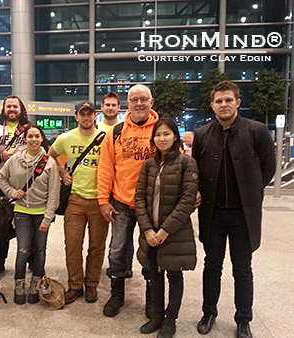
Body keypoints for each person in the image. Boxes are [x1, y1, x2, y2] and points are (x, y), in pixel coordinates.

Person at [192, 81, 276, 338]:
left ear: (237, 103)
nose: (224, 105)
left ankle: (243, 319)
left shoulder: (257, 131)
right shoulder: (203, 134)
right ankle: (209, 312)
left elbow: (268, 169)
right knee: (212, 265)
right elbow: (195, 169)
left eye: (228, 100)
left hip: (243, 214)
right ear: (212, 105)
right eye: (219, 101)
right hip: (213, 213)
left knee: (243, 268)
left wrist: (252, 192)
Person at [97, 84, 159, 318]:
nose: (139, 103)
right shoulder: (116, 132)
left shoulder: (161, 129)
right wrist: (103, 199)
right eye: (135, 100)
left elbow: (176, 163)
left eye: (144, 99)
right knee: (117, 250)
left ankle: (153, 300)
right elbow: (105, 168)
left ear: (151, 102)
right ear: (128, 104)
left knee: (150, 252)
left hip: (152, 203)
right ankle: (117, 295)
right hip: (121, 202)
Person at [135, 117, 198, 338]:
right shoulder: (148, 165)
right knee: (154, 275)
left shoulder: (186, 163)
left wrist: (163, 231)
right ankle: (156, 316)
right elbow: (139, 199)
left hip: (174, 233)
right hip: (150, 233)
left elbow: (187, 201)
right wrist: (148, 230)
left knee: (174, 276)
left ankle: (171, 319)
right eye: (158, 135)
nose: (162, 138)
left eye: (166, 134)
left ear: (175, 136)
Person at [49, 100, 109, 305]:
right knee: (73, 245)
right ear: (76, 117)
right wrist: (61, 172)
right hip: (75, 200)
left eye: (89, 114)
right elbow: (51, 155)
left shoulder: (105, 138)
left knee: (97, 246)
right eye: (82, 114)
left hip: (100, 200)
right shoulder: (66, 138)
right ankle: (75, 284)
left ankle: (91, 284)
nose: (86, 117)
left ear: (95, 116)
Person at [0, 125, 60, 305]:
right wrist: (11, 192)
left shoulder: (50, 163)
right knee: (23, 250)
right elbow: (0, 178)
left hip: (41, 212)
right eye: (30, 136)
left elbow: (54, 193)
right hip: (21, 212)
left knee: (39, 250)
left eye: (37, 136)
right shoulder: (15, 159)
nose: (33, 139)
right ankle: (19, 284)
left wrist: (48, 218)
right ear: (25, 138)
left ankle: (36, 284)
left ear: (42, 139)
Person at [0, 95, 48, 273]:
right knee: (2, 224)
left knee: (29, 223)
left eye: (15, 106)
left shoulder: (31, 129)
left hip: (28, 185)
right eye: (8, 107)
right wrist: (0, 157)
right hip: (2, 183)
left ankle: (31, 260)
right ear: (3, 109)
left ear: (21, 109)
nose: (12, 110)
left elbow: (46, 152)